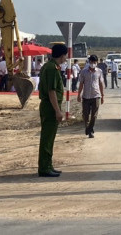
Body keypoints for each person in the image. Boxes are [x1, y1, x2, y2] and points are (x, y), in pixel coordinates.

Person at [37, 44, 67, 178]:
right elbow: (52, 91)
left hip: (49, 106)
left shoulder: (49, 66)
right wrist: (57, 111)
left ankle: (48, 165)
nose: (66, 58)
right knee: (47, 138)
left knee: (49, 138)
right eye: (65, 55)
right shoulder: (52, 69)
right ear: (62, 55)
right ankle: (44, 167)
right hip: (50, 107)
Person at [76, 55, 105, 138]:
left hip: (96, 96)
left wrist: (102, 96)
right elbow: (81, 84)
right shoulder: (83, 72)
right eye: (91, 62)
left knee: (94, 115)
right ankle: (88, 128)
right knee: (85, 114)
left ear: (97, 63)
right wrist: (79, 95)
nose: (93, 64)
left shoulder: (99, 71)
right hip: (86, 97)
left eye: (94, 62)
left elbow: (101, 84)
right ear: (89, 62)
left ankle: (90, 130)